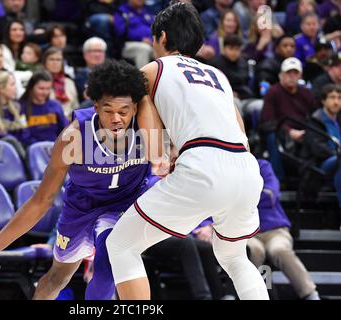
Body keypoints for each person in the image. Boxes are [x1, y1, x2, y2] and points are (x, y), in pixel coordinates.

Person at [105, 3, 269, 300]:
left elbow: (149, 125)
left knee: (121, 244)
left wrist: (159, 157)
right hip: (245, 168)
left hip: (203, 166)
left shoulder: (153, 68)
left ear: (162, 37)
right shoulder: (218, 75)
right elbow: (240, 128)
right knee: (234, 258)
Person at [0, 60, 158, 300]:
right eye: (108, 111)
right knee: (57, 277)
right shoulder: (73, 138)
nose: (116, 118)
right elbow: (41, 200)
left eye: (123, 111)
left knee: (108, 265)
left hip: (124, 205)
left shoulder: (149, 129)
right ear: (95, 106)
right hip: (81, 206)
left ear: (136, 108)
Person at [248, 159, 320, 300]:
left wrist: (240, 197)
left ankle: (310, 294)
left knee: (279, 250)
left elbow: (270, 194)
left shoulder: (262, 165)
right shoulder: (228, 169)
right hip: (247, 233)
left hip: (275, 230)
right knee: (254, 252)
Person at [19, 69, 69, 146]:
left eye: (48, 89)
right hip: (32, 150)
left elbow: (65, 131)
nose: (45, 92)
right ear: (31, 87)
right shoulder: (21, 107)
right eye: (41, 88)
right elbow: (24, 136)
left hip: (55, 149)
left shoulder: (56, 106)